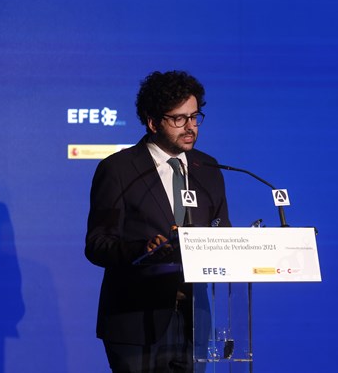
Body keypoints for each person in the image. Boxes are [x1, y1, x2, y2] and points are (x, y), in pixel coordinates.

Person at [85, 70, 231, 372]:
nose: (190, 127)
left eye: (194, 117)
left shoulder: (208, 168)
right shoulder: (119, 169)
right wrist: (144, 249)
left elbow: (222, 232)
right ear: (153, 122)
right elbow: (98, 244)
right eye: (179, 119)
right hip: (136, 320)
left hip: (194, 320)